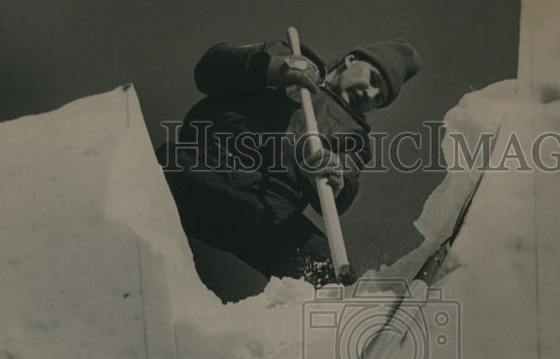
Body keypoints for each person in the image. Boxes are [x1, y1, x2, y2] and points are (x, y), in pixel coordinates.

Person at [159, 37, 421, 290]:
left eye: (380, 98)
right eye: (374, 80)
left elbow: (346, 182)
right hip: (200, 165)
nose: (371, 94)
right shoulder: (287, 55)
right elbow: (209, 69)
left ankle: (339, 324)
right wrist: (271, 69)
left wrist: (337, 176)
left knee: (327, 273)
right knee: (143, 186)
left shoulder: (355, 136)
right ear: (351, 60)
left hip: (265, 214)